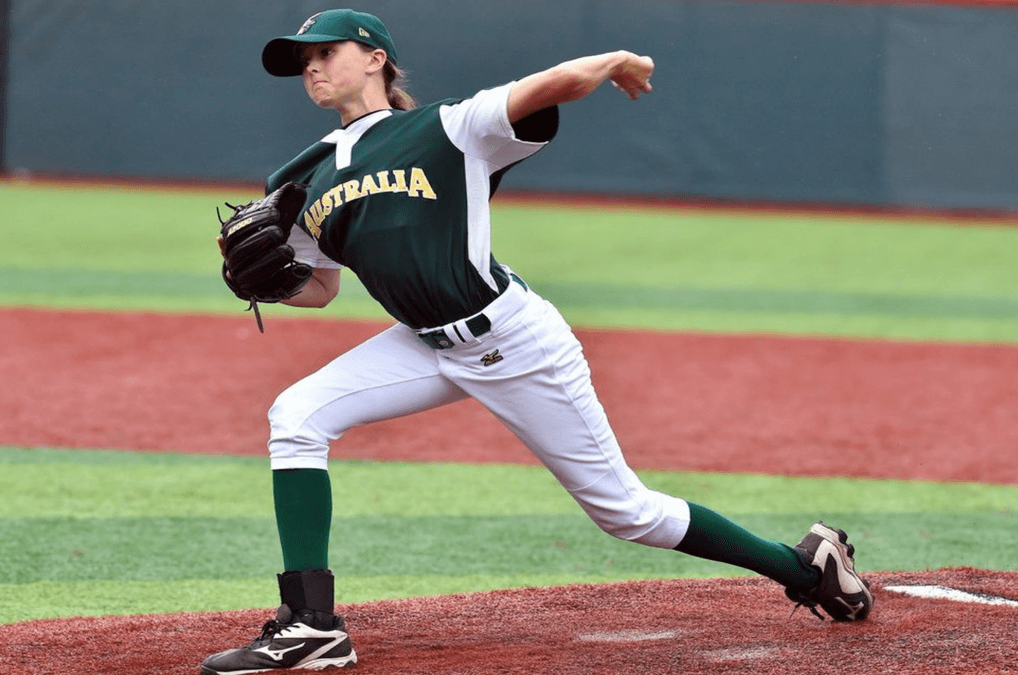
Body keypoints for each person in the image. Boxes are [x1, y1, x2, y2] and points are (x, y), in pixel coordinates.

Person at [201, 8, 873, 674]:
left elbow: (553, 84)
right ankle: (312, 625)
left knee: (627, 514)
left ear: (376, 58)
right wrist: (263, 282)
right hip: (425, 344)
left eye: (326, 51)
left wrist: (615, 61)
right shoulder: (301, 177)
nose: (312, 67)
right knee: (297, 415)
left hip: (513, 340)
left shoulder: (446, 128)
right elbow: (321, 288)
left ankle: (806, 569)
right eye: (303, 60)